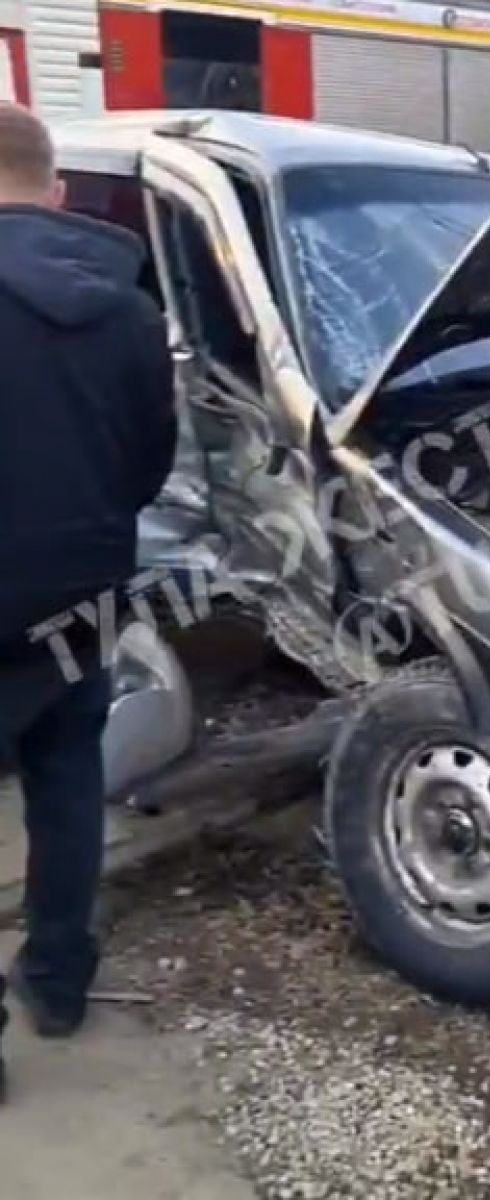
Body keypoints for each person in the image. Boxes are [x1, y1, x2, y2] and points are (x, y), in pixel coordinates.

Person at [0, 103, 177, 1100]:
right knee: (67, 793)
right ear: (57, 192)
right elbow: (150, 465)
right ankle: (59, 984)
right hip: (87, 590)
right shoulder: (132, 309)